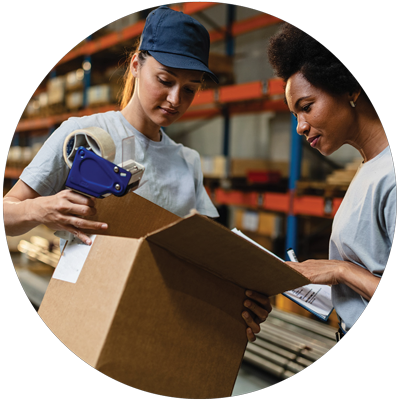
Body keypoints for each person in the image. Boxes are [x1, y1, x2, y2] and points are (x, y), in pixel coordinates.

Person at [4, 6, 271, 342]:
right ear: (135, 65)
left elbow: (204, 259)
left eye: (190, 88)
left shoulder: (187, 161)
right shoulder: (82, 133)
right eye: (165, 80)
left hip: (158, 318)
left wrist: (243, 300)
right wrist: (40, 209)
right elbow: (7, 212)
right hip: (83, 309)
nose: (175, 99)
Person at [267, 23, 396, 337]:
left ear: (350, 88)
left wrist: (340, 270)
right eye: (295, 115)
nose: (300, 126)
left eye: (307, 107)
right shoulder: (369, 167)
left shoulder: (391, 177)